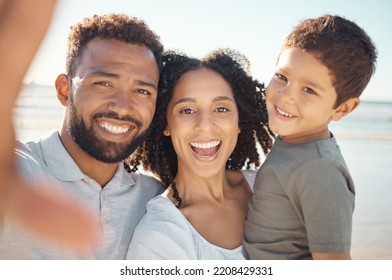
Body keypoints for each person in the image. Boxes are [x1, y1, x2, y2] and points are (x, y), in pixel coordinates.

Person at [0, 9, 165, 259]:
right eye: (104, 83)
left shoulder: (155, 197)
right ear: (65, 90)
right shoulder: (17, 171)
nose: (122, 106)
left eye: (142, 91)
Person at [244, 14, 377, 260]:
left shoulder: (320, 170)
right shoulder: (294, 139)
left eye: (309, 90)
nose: (285, 95)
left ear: (342, 109)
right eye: (282, 77)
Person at [125, 49, 274, 259]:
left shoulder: (270, 187)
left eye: (221, 108)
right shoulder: (159, 236)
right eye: (187, 110)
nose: (205, 125)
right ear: (166, 124)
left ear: (239, 121)